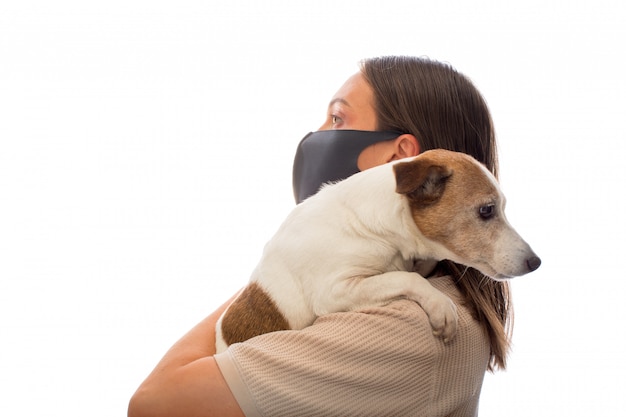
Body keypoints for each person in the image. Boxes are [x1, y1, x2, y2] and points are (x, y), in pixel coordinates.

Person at [128, 55, 512, 417]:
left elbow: (156, 403)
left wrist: (289, 264)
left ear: (399, 159)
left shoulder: (414, 323)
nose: (317, 135)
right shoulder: (408, 292)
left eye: (336, 118)